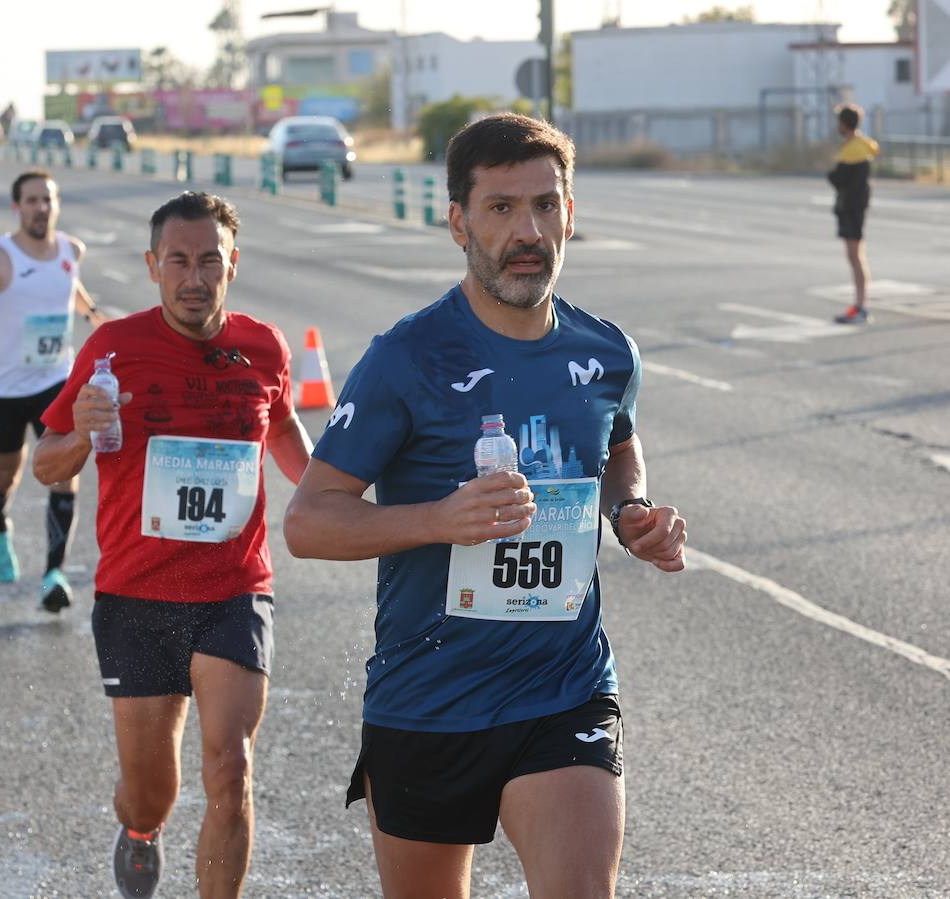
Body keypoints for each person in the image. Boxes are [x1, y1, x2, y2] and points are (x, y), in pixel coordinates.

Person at [283, 113, 688, 899]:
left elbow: (616, 444)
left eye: (545, 204)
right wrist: (438, 520)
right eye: (502, 208)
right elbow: (309, 521)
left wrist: (629, 510)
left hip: (563, 687)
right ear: (458, 223)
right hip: (429, 696)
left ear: (571, 214)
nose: (528, 230)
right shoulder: (407, 357)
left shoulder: (606, 352)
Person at [32, 191, 312, 899]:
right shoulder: (111, 349)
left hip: (234, 585)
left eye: (210, 260)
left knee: (231, 766)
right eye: (179, 261)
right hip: (136, 591)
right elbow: (46, 462)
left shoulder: (265, 346)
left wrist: (326, 491)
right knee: (150, 791)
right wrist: (80, 429)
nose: (195, 277)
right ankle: (139, 830)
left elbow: (280, 430)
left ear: (233, 264)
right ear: (153, 266)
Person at [0, 169, 105, 609]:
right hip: (3, 388)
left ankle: (54, 573)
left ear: (56, 205)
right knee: (8, 473)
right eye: (32, 200)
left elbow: (67, 285)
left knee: (64, 473)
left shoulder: (72, 250)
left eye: (48, 200)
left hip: (56, 382)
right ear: (17, 207)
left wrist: (93, 315)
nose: (41, 208)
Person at [828, 103, 880, 325]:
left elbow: (839, 179)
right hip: (853, 208)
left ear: (843, 123)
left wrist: (833, 174)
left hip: (852, 209)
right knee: (854, 256)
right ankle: (859, 304)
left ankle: (860, 306)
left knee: (856, 256)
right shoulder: (860, 146)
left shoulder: (853, 150)